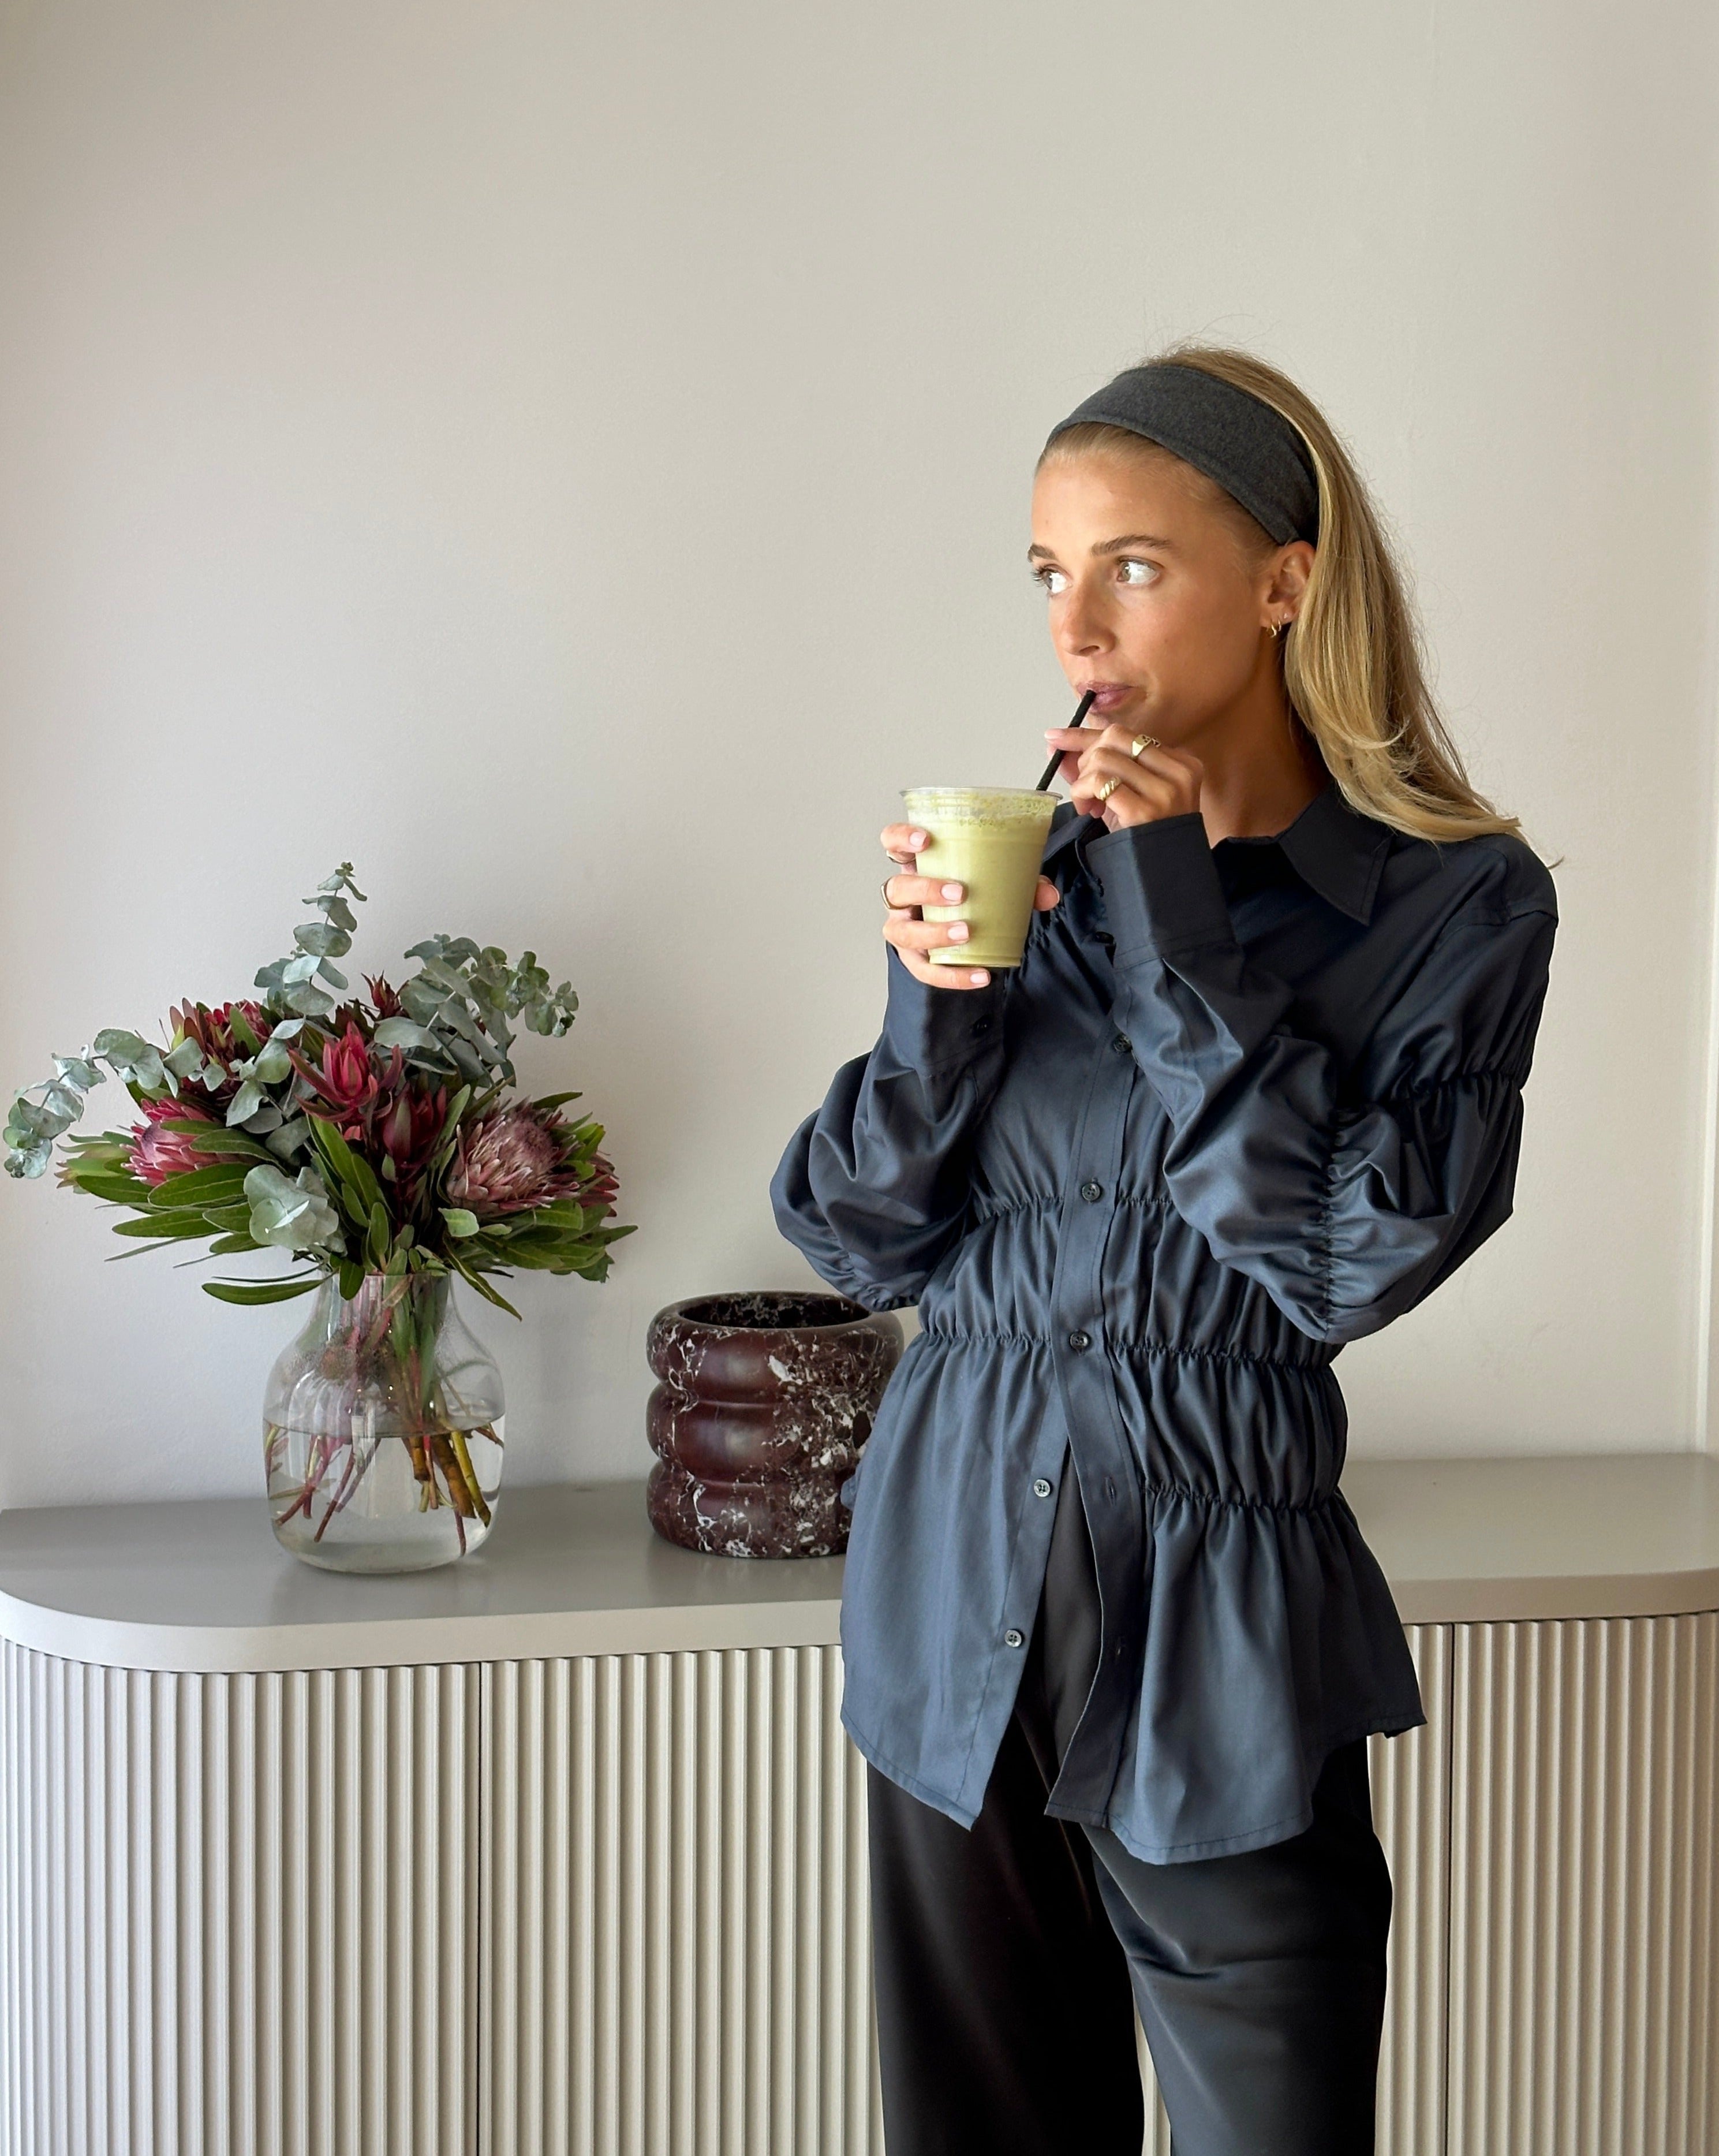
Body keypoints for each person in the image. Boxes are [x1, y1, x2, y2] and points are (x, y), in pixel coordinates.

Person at [768, 345, 1557, 2155]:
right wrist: (930, 1008)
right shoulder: (1021, 874)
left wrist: (1175, 916)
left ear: (1285, 582)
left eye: (1129, 563)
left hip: (1222, 1619)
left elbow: (1351, 1263)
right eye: (1048, 572)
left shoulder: (1454, 900)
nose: (1075, 622)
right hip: (952, 1579)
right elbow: (863, 1241)